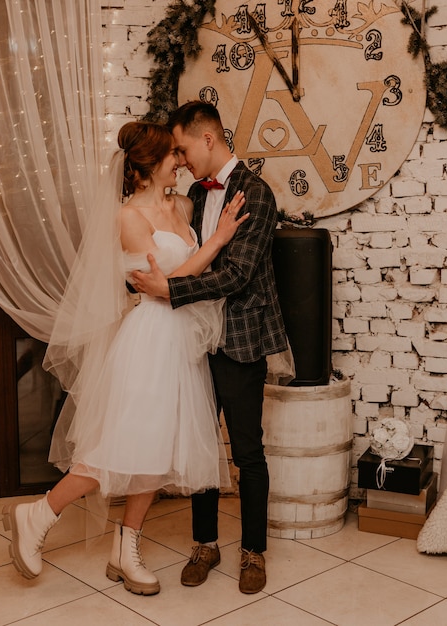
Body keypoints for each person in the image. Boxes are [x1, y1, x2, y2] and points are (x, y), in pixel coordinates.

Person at [2, 121, 248, 596]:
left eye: (181, 154)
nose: (180, 162)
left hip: (183, 345)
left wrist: (206, 245)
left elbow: (179, 282)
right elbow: (170, 282)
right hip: (150, 341)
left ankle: (125, 546)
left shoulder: (183, 205)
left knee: (154, 455)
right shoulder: (128, 218)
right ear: (145, 168)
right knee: (115, 450)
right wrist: (216, 241)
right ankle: (37, 515)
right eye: (171, 156)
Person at [130, 101, 291, 595]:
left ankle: (253, 552)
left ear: (207, 139)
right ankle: (205, 544)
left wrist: (169, 291)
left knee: (247, 451)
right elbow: (191, 254)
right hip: (196, 339)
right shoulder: (196, 195)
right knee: (201, 443)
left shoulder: (257, 194)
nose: (179, 159)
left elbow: (237, 275)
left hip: (241, 339)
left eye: (182, 148)